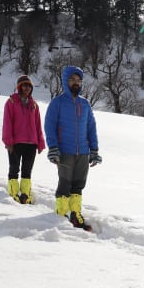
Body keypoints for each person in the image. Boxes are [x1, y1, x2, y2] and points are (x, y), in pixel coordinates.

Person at [44, 65, 102, 230]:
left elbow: (91, 127)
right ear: (65, 81)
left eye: (78, 80)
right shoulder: (58, 103)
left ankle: (75, 214)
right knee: (64, 184)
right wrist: (53, 147)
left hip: (83, 152)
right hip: (65, 152)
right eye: (72, 80)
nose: (76, 83)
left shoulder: (85, 104)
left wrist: (94, 150)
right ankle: (61, 214)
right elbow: (50, 126)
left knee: (78, 185)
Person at [2, 75, 46, 203]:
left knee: (27, 170)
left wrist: (40, 142)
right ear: (19, 87)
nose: (27, 88)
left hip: (31, 143)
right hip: (15, 143)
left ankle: (25, 194)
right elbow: (7, 123)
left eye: (29, 86)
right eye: (24, 86)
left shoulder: (34, 105)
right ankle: (13, 193)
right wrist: (8, 141)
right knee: (14, 168)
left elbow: (38, 124)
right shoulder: (11, 102)